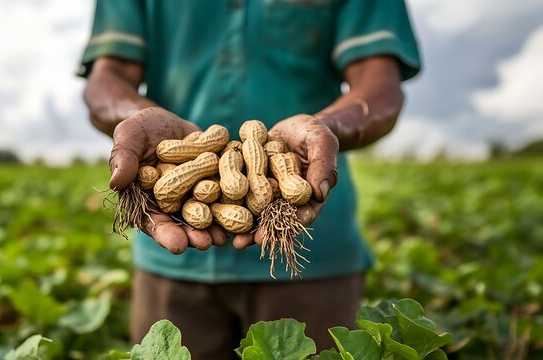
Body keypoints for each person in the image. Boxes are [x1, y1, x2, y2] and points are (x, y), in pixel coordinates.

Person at [79, 1, 420, 358]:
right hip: (169, 239)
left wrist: (328, 128)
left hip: (309, 250)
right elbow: (108, 76)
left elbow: (380, 83)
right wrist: (136, 119)